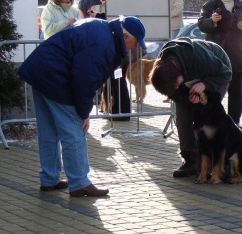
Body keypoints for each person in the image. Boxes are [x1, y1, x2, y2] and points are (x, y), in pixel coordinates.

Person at [17, 16, 146, 197]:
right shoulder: (103, 44)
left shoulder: (101, 29)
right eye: (134, 43)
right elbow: (84, 80)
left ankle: (49, 179)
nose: (134, 48)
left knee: (49, 132)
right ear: (125, 37)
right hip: (55, 78)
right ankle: (79, 183)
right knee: (75, 132)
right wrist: (84, 112)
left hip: (40, 72)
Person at [149, 37, 232, 178]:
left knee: (207, 116)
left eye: (177, 84)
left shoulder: (197, 56)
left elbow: (225, 74)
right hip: (194, 79)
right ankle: (191, 160)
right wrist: (188, 100)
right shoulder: (163, 70)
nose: (176, 87)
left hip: (217, 73)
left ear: (178, 73)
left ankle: (221, 161)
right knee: (182, 116)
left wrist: (205, 84)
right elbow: (175, 93)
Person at [198, 0, 242, 126]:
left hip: (237, 54)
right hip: (215, 55)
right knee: (213, 90)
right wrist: (211, 21)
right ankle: (211, 120)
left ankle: (234, 122)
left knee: (236, 91)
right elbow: (201, 25)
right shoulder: (209, 6)